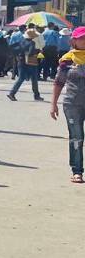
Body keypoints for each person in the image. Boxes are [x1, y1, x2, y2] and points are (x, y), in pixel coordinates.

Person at [50, 27, 85, 183]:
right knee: (76, 138)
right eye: (80, 38)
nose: (83, 41)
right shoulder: (67, 60)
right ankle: (77, 171)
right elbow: (59, 82)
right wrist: (53, 104)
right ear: (74, 40)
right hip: (72, 105)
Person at [7, 26, 44, 101]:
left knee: (21, 78)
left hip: (21, 61)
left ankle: (12, 93)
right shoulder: (32, 43)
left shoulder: (21, 41)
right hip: (30, 62)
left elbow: (12, 47)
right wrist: (38, 52)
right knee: (34, 79)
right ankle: (36, 95)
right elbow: (31, 53)